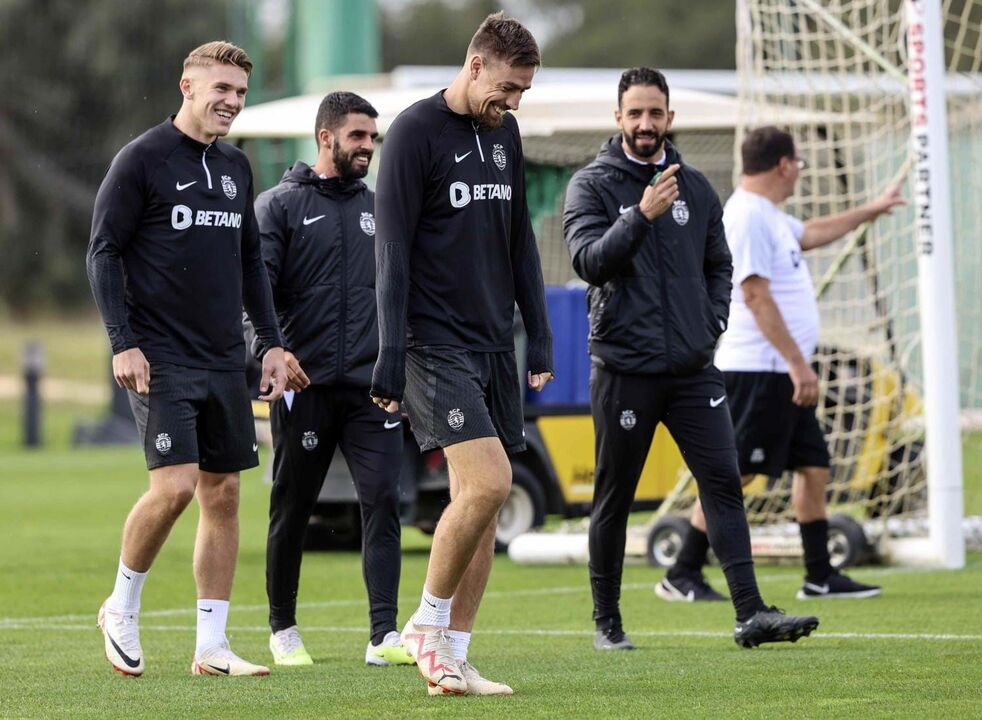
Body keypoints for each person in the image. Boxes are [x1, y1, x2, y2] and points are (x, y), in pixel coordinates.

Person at [563, 67, 820, 651]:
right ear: (618, 118)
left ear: (669, 118)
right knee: (615, 496)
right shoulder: (591, 186)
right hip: (624, 370)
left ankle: (750, 614)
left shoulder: (697, 188)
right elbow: (589, 262)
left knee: (724, 483)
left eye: (655, 113)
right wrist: (640, 215)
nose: (645, 123)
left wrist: (711, 322)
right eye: (635, 113)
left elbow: (719, 265)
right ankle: (608, 623)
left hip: (692, 370)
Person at [87, 41, 288, 678]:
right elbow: (103, 251)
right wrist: (122, 341)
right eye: (221, 89)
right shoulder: (142, 158)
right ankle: (121, 607)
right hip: (160, 356)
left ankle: (212, 646)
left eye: (240, 92)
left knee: (223, 494)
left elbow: (251, 261)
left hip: (224, 357)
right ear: (188, 86)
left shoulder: (236, 166)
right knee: (174, 487)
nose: (231, 101)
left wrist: (270, 342)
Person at [371, 11, 554, 696]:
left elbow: (520, 240)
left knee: (478, 507)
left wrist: (539, 334)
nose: (514, 102)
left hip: (492, 342)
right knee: (490, 484)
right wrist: (389, 354)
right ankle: (425, 624)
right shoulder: (414, 132)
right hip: (430, 342)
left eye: (523, 92)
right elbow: (391, 252)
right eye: (507, 87)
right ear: (476, 65)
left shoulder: (505, 135)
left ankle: (453, 653)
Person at [657, 126, 902, 603]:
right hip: (758, 369)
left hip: (782, 371)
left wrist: (873, 209)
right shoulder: (746, 216)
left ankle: (820, 576)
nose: (800, 173)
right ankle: (682, 571)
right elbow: (754, 295)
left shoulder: (771, 216)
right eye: (799, 164)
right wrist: (798, 364)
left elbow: (812, 232)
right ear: (784, 165)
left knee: (814, 466)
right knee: (734, 476)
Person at [253, 91, 413, 668]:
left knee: (384, 501)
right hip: (306, 388)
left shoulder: (382, 208)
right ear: (326, 137)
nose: (368, 146)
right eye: (357, 136)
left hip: (373, 389)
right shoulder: (279, 207)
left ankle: (383, 635)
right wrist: (270, 351)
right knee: (293, 506)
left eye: (373, 137)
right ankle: (282, 628)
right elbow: (254, 296)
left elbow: (404, 294)